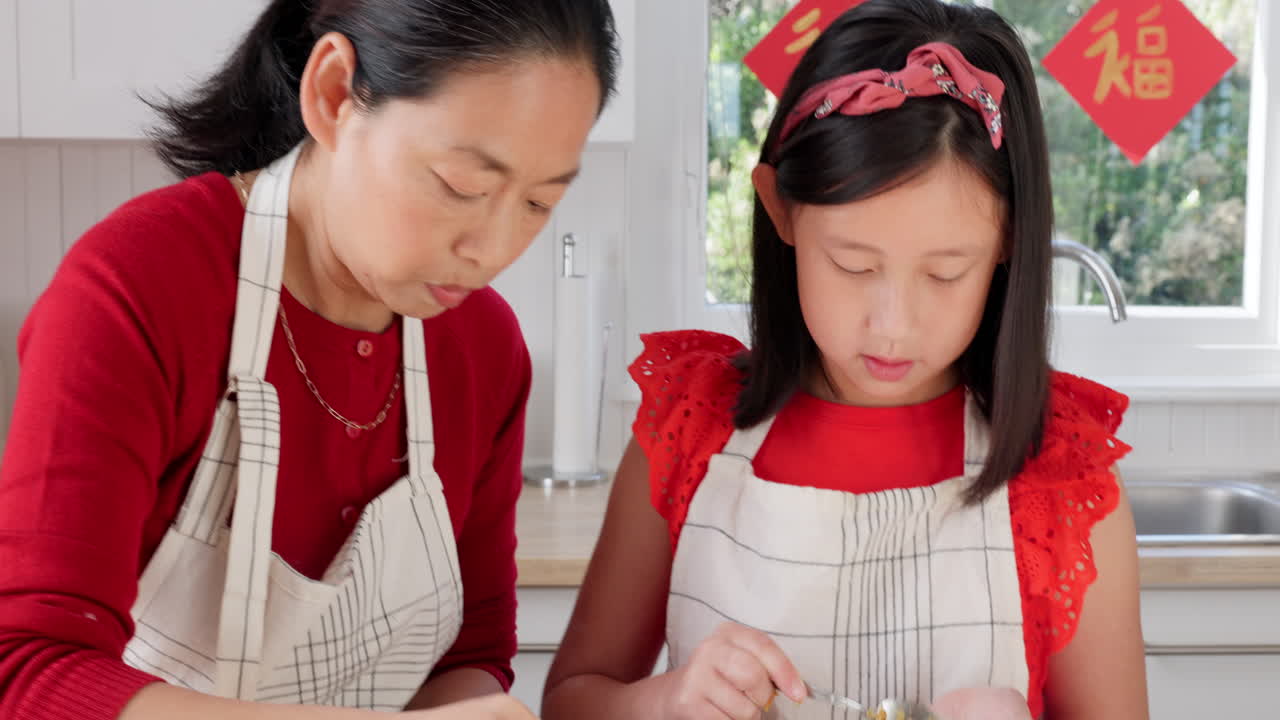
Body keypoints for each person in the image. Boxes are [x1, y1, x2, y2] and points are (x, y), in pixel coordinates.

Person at [0, 1, 617, 718]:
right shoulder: (139, 286)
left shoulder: (483, 348)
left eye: (538, 203)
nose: (492, 250)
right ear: (332, 94)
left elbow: (467, 658)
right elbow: (29, 672)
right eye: (462, 186)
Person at [540, 1, 1149, 719]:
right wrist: (666, 702)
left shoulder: (1065, 477)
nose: (893, 327)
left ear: (1009, 241)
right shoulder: (687, 430)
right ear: (781, 210)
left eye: (945, 274)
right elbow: (572, 702)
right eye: (853, 266)